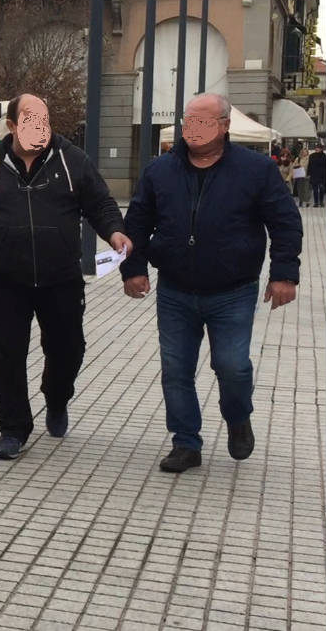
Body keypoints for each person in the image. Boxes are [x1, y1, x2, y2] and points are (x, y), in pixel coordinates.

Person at [121, 93, 301, 474]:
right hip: (175, 290)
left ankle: (237, 417)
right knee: (176, 369)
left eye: (203, 122)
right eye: (189, 122)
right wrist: (132, 268)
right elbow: (137, 222)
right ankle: (186, 443)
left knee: (232, 365)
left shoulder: (256, 170)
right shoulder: (160, 171)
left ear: (224, 125)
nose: (194, 130)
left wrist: (284, 274)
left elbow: (285, 222)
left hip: (232, 290)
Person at [0, 94, 130, 460]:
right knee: (7, 356)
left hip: (61, 279)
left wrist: (114, 231)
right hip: (5, 280)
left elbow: (101, 204)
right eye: (30, 120)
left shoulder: (72, 159)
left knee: (68, 351)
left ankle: (57, 396)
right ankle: (13, 428)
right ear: (12, 126)